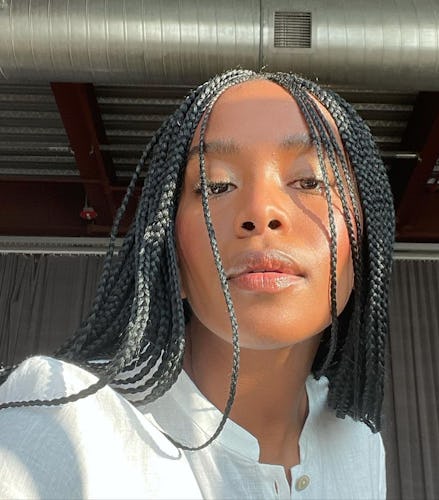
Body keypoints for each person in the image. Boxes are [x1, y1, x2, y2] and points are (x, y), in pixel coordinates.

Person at [0, 69, 394, 499]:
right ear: (171, 257)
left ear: (365, 242)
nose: (261, 212)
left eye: (310, 181)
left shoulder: (360, 444)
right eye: (216, 186)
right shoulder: (63, 417)